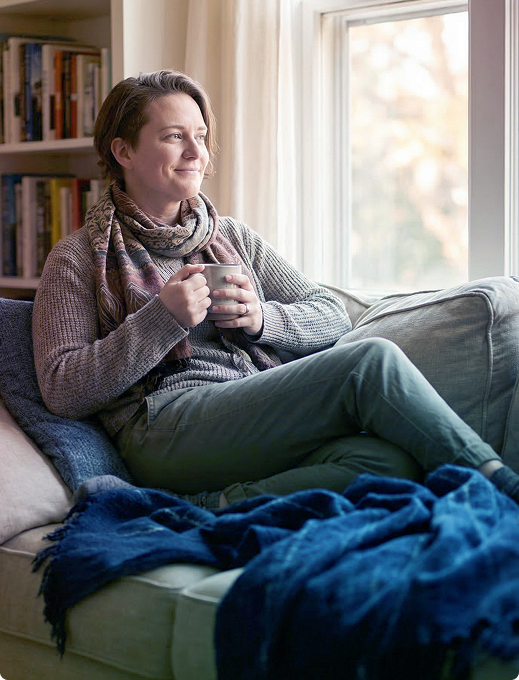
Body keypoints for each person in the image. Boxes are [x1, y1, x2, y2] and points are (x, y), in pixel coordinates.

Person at [32, 70, 519, 509]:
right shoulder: (77, 257)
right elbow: (63, 389)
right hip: (160, 427)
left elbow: (332, 313)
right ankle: (502, 490)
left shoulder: (232, 238)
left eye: (200, 136)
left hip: (245, 405)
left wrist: (263, 318)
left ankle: (214, 505)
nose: (196, 153)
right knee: (372, 361)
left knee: (384, 462)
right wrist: (162, 320)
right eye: (174, 137)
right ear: (124, 152)